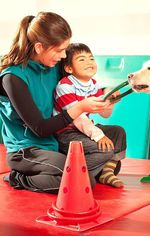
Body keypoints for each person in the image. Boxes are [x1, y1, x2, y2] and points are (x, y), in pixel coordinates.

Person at [0, 12, 125, 193]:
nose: (64, 55)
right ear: (39, 47)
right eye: (59, 50)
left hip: (56, 144)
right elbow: (40, 129)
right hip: (27, 151)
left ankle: (75, 172)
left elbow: (80, 82)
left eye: (65, 49)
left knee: (114, 140)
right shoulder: (13, 78)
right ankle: (19, 178)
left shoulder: (53, 66)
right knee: (84, 182)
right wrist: (80, 107)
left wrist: (107, 94)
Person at [53, 43, 126, 188]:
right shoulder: (65, 86)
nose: (89, 62)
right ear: (69, 68)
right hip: (67, 133)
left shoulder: (93, 84)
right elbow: (77, 118)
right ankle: (74, 175)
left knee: (118, 132)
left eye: (91, 58)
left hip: (84, 129)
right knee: (104, 150)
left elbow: (104, 113)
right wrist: (98, 136)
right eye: (81, 59)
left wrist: (110, 99)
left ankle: (106, 172)